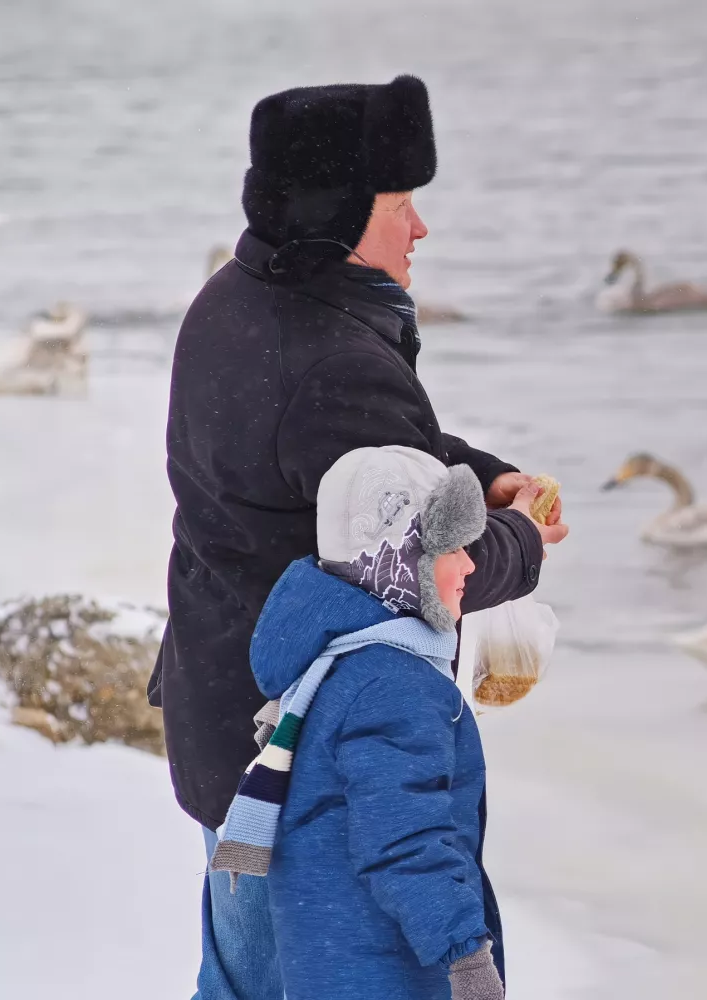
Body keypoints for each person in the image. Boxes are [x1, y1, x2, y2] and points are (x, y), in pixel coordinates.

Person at [148, 75, 567, 998]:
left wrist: (481, 472)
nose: (421, 229)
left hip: (221, 713)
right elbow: (427, 569)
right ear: (341, 212)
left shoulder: (236, 300)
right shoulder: (336, 362)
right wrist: (522, 536)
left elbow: (366, 459)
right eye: (403, 204)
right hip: (307, 755)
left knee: (237, 980)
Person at [211, 446, 514, 999]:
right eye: (451, 549)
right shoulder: (396, 684)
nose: (471, 565)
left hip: (330, 951)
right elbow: (404, 839)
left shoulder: (332, 664)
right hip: (390, 965)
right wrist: (465, 954)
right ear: (402, 560)